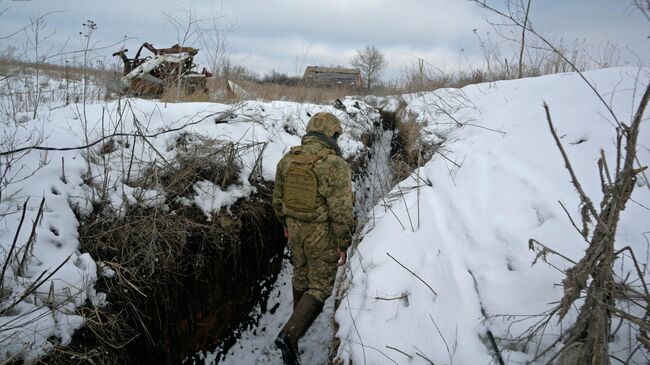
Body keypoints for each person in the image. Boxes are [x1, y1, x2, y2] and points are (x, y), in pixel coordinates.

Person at [272, 112, 354, 365]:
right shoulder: (335, 165)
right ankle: (290, 334)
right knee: (320, 286)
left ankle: (296, 331)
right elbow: (341, 211)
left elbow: (277, 200)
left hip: (294, 231)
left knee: (301, 275)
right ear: (333, 135)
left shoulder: (288, 159)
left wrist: (286, 224)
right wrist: (343, 243)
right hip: (321, 235)